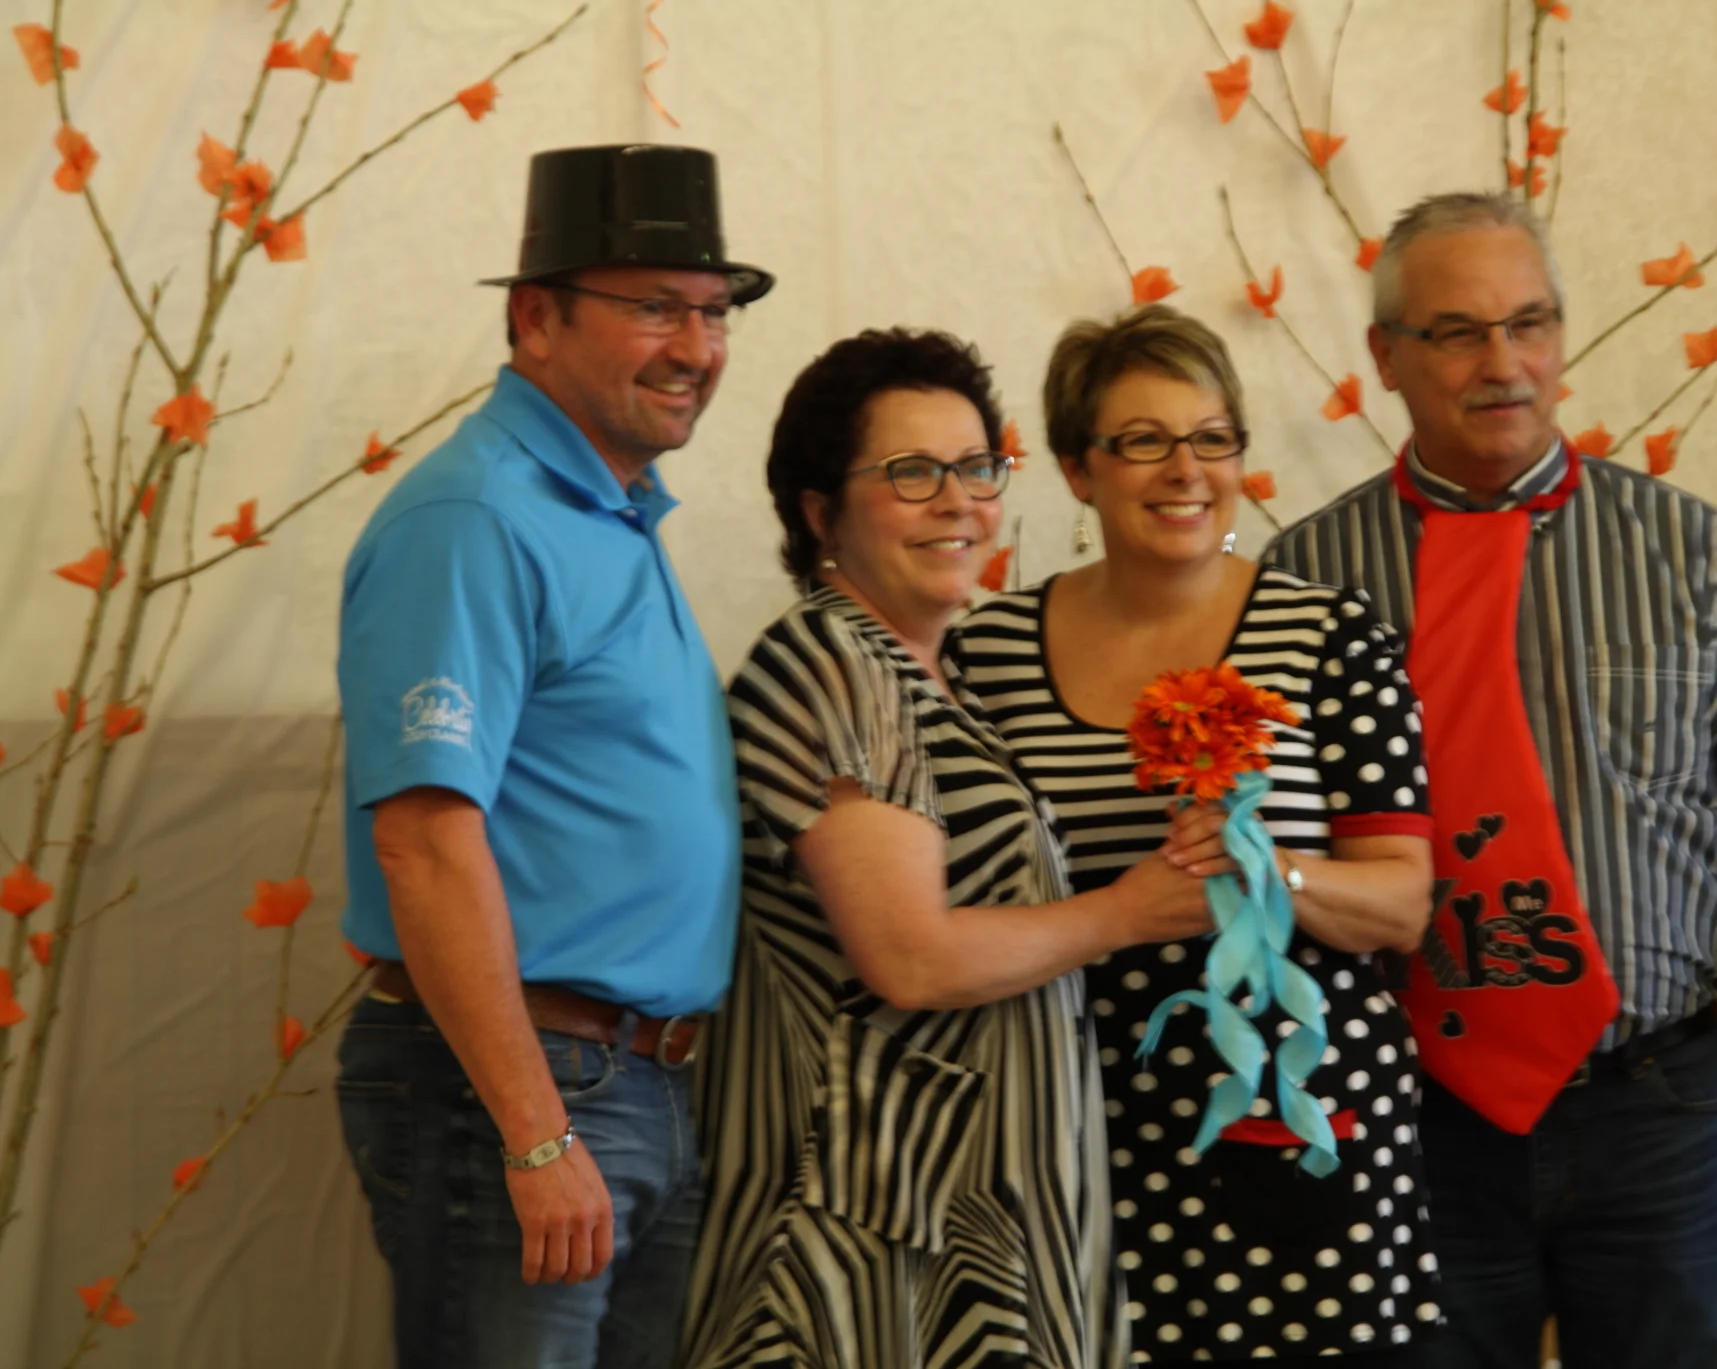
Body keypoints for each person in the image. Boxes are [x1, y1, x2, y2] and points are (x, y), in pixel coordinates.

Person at [1264, 191, 1717, 1369]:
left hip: (1656, 1106)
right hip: (1411, 1110)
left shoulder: (1693, 551)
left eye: (1530, 323)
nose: (1504, 363)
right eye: (1459, 332)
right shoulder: (1305, 579)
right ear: (1386, 356)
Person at [682, 327, 1218, 1369]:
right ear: (820, 511)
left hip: (963, 1232)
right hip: (866, 1252)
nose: (959, 502)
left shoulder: (937, 673)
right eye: (911, 472)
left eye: (976, 467)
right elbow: (911, 958)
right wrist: (1127, 910)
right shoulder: (835, 664)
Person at [333, 144, 770, 1368]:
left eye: (714, 312)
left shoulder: (608, 511)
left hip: (629, 1082)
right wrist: (534, 1130)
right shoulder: (476, 517)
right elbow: (423, 840)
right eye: (656, 308)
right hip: (527, 1084)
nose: (697, 348)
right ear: (536, 318)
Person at [949, 304, 1446, 1365]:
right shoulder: (987, 651)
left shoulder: (1330, 635)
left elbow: (1401, 903)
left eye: (1212, 438)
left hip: (1298, 1115)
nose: (1186, 470)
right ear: (1078, 470)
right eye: (1143, 441)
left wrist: (1272, 868)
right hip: (1070, 1122)